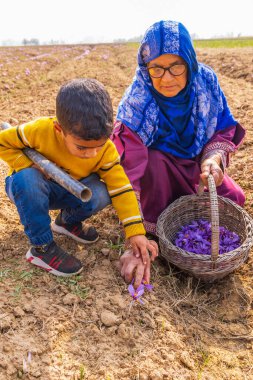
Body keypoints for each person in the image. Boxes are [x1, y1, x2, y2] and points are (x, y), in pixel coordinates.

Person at [112, 20, 245, 283]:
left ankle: (184, 206)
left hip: (197, 164)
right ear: (145, 68)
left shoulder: (205, 82)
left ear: (189, 62)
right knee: (155, 163)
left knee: (234, 198)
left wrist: (212, 159)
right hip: (157, 171)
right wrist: (134, 236)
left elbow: (224, 127)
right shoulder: (138, 101)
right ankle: (160, 221)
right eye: (156, 69)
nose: (167, 78)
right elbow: (128, 171)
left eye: (176, 66)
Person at [0, 78, 158, 278]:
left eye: (98, 146)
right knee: (28, 179)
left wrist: (136, 231)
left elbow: (122, 188)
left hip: (69, 188)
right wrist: (29, 165)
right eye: (82, 147)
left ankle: (66, 222)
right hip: (29, 190)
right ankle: (42, 247)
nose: (91, 154)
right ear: (60, 130)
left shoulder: (106, 151)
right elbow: (3, 143)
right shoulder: (39, 131)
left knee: (102, 192)